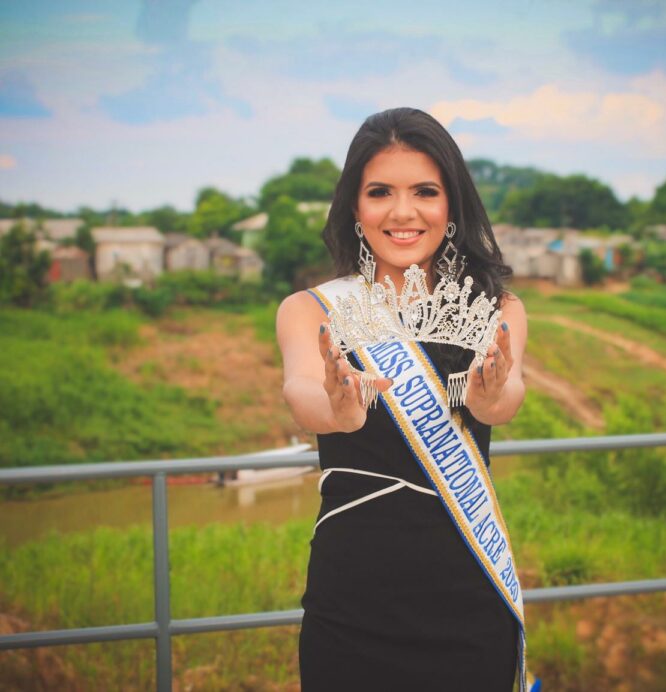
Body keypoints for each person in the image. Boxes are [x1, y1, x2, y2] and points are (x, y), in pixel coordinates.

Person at [277, 107, 528, 692]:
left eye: (425, 191)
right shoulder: (311, 308)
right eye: (380, 192)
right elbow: (302, 391)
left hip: (468, 584)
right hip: (354, 593)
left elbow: (506, 396)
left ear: (452, 205)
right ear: (355, 206)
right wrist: (338, 410)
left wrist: (490, 397)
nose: (403, 212)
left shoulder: (496, 308)